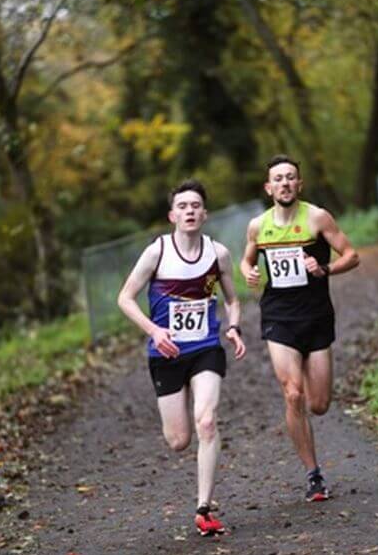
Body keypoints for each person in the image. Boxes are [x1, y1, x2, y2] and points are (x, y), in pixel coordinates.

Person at [118, 179, 246, 535]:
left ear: (204, 213)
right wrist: (155, 331)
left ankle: (204, 508)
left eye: (196, 205)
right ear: (172, 214)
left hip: (205, 348)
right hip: (167, 354)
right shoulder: (156, 252)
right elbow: (125, 298)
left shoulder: (217, 254)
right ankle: (188, 405)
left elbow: (234, 299)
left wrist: (234, 327)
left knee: (207, 421)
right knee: (179, 440)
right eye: (183, 206)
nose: (190, 211)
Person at [240, 154, 359, 502]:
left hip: (317, 315)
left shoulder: (317, 217)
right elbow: (247, 259)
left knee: (319, 404)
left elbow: (351, 255)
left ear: (299, 184)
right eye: (278, 179)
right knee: (293, 392)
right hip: (278, 315)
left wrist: (324, 268)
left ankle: (307, 388)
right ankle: (313, 475)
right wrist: (248, 270)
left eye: (291, 177)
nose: (285, 183)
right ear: (268, 187)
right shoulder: (257, 226)